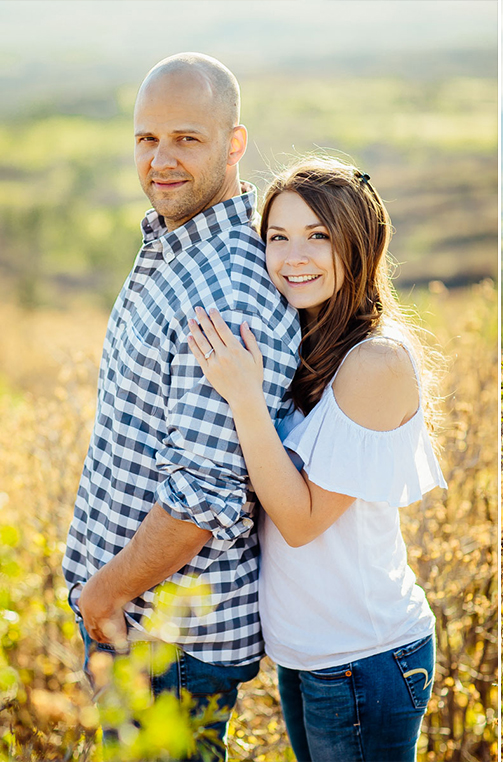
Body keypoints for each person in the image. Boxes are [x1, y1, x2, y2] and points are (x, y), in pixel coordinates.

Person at [62, 53, 300, 760]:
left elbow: (201, 498)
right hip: (142, 621)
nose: (161, 160)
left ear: (234, 143)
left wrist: (103, 596)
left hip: (168, 639)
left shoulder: (223, 286)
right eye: (147, 139)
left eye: (187, 139)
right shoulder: (178, 250)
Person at [187, 156, 446, 762]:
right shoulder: (301, 341)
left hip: (363, 655)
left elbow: (302, 522)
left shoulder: (375, 361)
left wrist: (245, 398)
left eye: (317, 236)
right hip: (309, 655)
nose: (292, 257)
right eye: (278, 237)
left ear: (359, 245)